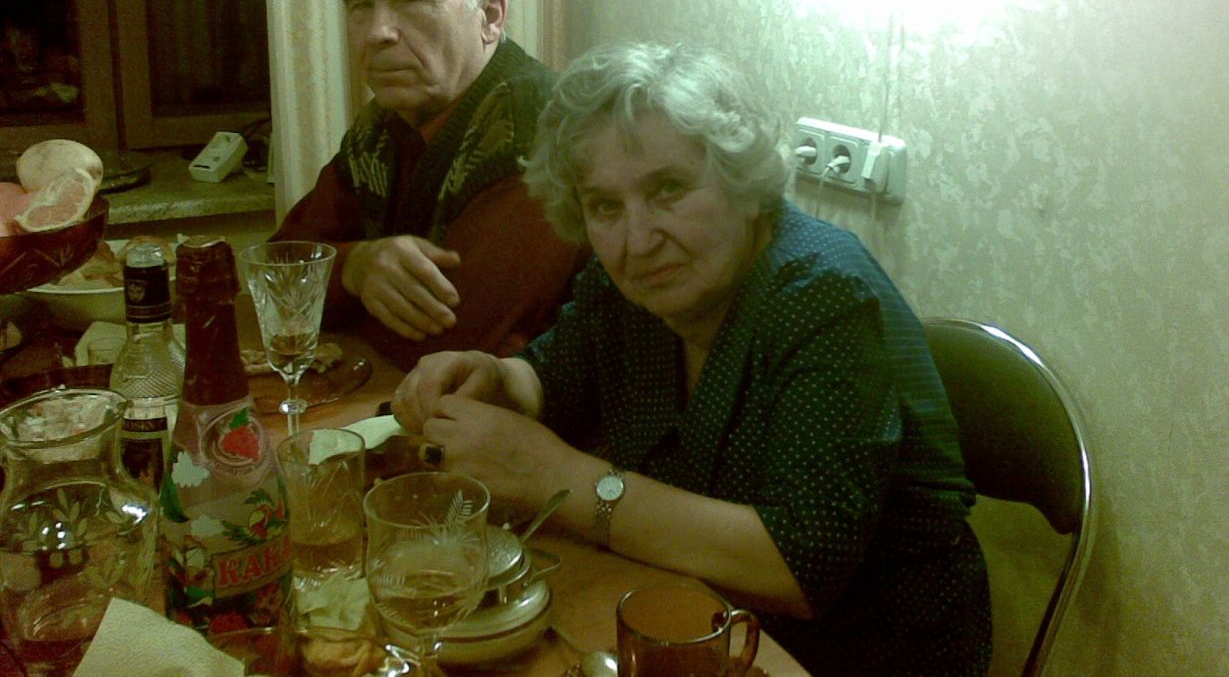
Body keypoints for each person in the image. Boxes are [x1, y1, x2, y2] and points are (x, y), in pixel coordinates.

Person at [391, 42, 992, 676]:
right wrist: (495, 378)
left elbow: (798, 568)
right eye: (605, 206)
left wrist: (552, 475)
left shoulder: (821, 295)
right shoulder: (635, 283)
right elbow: (553, 373)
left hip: (862, 648)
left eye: (669, 189)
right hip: (690, 616)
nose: (638, 238)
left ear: (743, 184)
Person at [272, 0, 585, 369]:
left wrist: (335, 288)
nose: (377, 32)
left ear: (490, 16)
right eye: (360, 6)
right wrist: (356, 267)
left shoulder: (537, 126)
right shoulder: (382, 125)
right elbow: (275, 276)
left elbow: (446, 345)